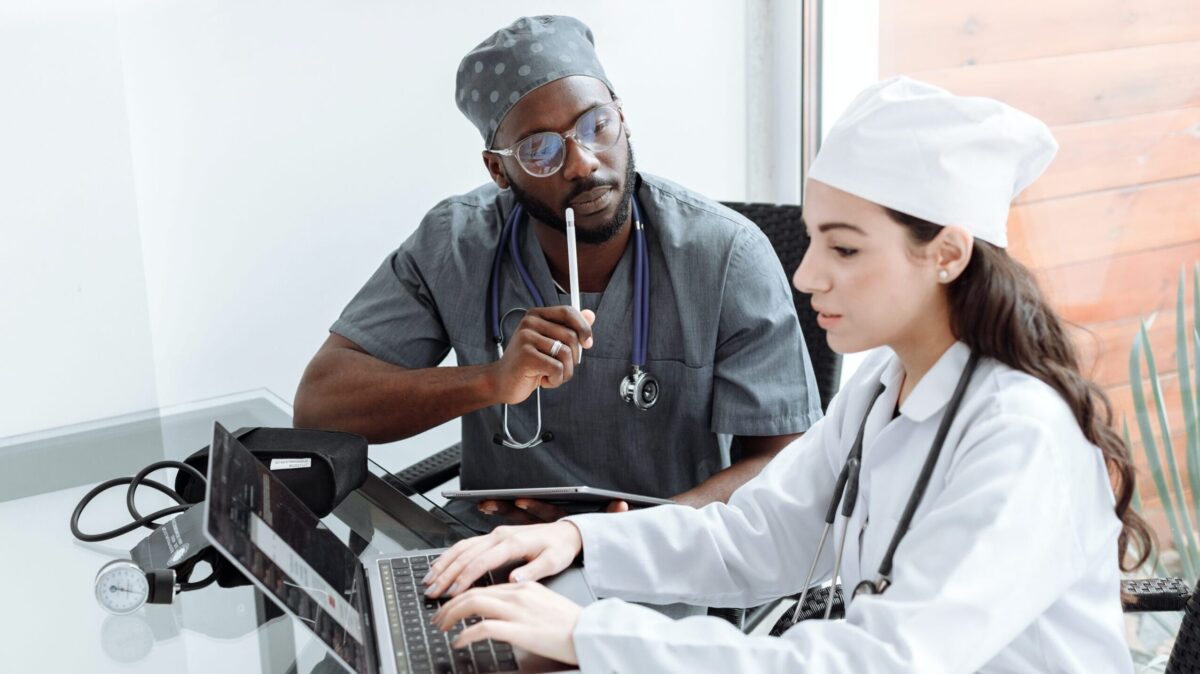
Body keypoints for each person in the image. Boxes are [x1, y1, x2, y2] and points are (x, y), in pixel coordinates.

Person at [416, 77, 1154, 672]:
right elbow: (758, 535)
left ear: (948, 255)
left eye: (844, 250)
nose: (806, 275)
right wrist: (578, 542)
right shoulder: (881, 390)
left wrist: (591, 636)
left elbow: (881, 660)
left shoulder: (1019, 438)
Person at [293, 14, 822, 523]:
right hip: (497, 551)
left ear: (623, 116)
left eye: (597, 125)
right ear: (498, 169)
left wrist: (633, 535)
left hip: (666, 564)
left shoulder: (725, 255)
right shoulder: (456, 245)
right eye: (540, 149)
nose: (582, 163)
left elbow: (788, 465)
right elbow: (321, 406)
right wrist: (491, 381)